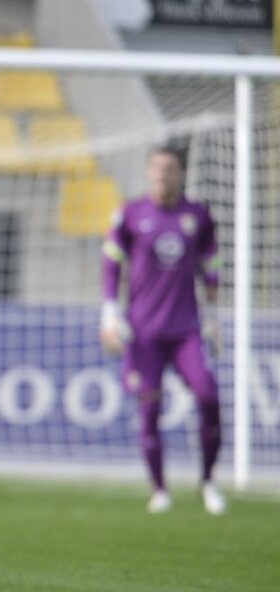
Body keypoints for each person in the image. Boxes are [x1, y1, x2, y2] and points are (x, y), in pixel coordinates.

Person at [99, 145, 226, 515]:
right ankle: (159, 489)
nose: (161, 175)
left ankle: (208, 481)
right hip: (144, 332)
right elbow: (110, 263)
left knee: (208, 396)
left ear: (180, 173)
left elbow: (211, 266)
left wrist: (213, 316)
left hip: (186, 329)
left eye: (168, 168)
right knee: (149, 407)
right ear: (148, 172)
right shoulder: (130, 214)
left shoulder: (198, 216)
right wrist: (109, 314)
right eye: (155, 168)